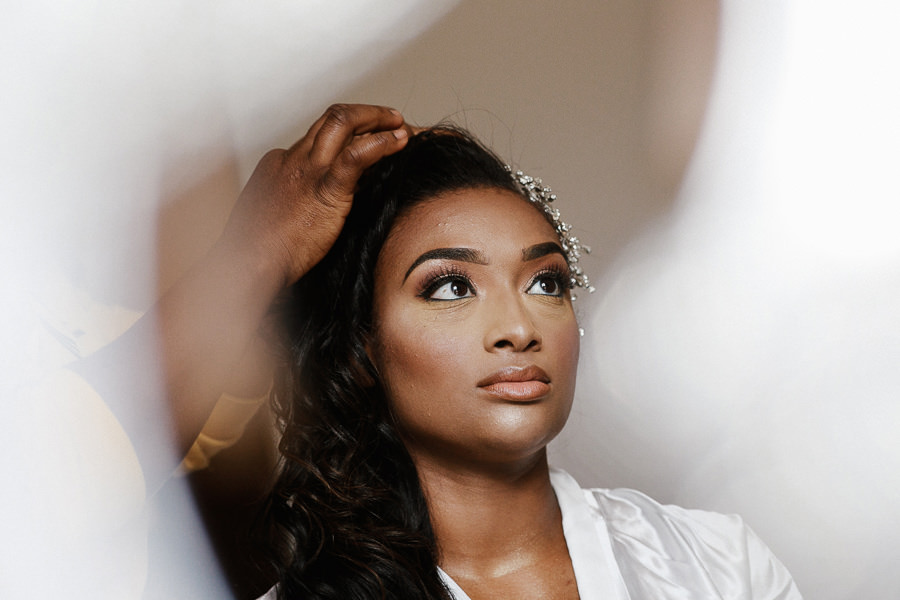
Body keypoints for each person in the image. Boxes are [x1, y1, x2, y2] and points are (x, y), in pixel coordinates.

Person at [81, 104, 803, 598]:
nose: (518, 327)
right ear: (362, 349)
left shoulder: (718, 564)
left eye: (545, 281)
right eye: (452, 288)